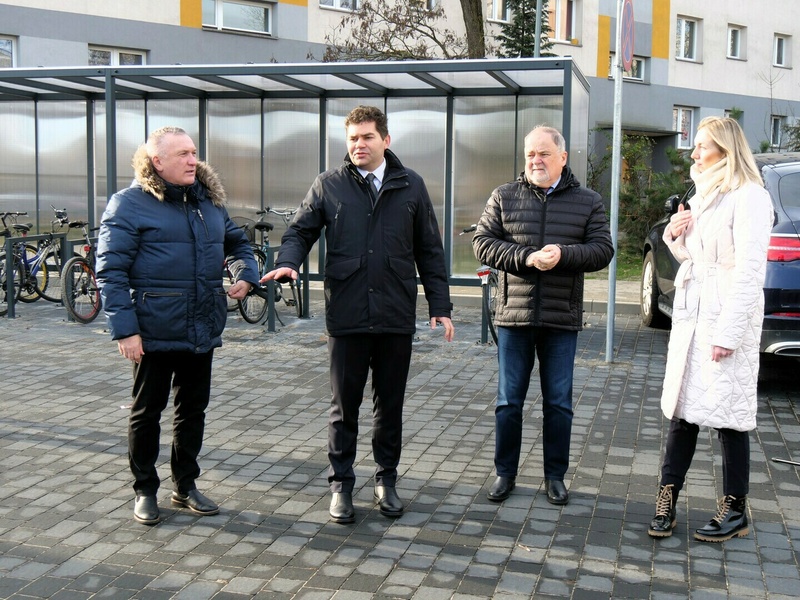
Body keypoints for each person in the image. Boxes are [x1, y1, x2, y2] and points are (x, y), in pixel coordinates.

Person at [261, 105, 454, 524]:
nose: (358, 145)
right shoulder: (329, 185)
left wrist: (440, 305)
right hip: (347, 314)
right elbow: (300, 230)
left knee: (390, 406)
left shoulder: (411, 185)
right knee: (343, 408)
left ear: (386, 140)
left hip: (395, 314)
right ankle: (341, 485)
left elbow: (429, 250)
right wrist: (289, 261)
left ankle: (386, 480)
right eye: (352, 138)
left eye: (367, 137)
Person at [96, 126, 260, 526]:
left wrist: (245, 273)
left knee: (192, 411)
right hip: (153, 330)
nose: (193, 160)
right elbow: (110, 272)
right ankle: (144, 490)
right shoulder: (128, 204)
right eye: (183, 154)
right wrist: (125, 330)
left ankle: (185, 485)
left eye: (193, 152)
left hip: (201, 325)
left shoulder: (208, 201)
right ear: (157, 162)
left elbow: (238, 244)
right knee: (146, 413)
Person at [472, 125, 613, 506]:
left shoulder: (588, 201)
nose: (535, 160)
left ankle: (555, 477)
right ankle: (505, 474)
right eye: (530, 154)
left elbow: (603, 249)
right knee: (508, 403)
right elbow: (482, 244)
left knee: (559, 404)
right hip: (514, 317)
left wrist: (563, 255)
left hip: (560, 318)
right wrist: (527, 257)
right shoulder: (504, 195)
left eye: (544, 154)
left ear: (562, 158)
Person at [647, 116, 773, 542]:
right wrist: (674, 236)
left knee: (730, 416)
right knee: (682, 410)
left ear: (725, 149)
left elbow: (750, 272)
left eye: (702, 145)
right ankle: (667, 499)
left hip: (724, 317)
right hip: (693, 315)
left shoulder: (750, 196)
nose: (694, 153)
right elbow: (695, 257)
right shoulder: (703, 194)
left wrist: (728, 334)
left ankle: (735, 509)